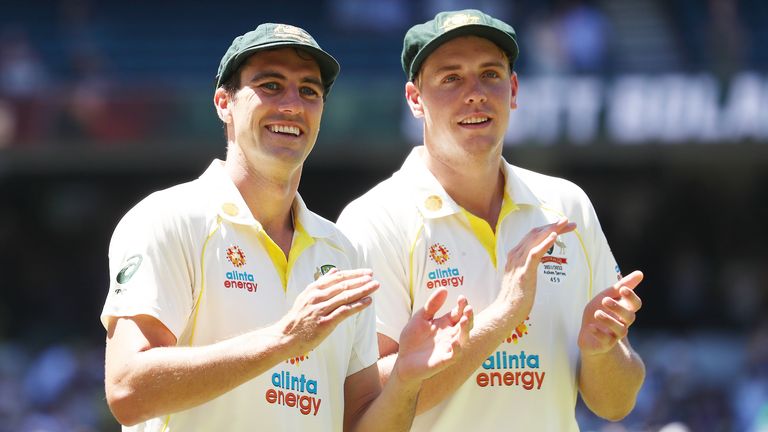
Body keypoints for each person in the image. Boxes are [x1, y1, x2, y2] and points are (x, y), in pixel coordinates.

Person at [100, 23, 472, 432]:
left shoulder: (342, 252)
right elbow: (127, 390)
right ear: (224, 102)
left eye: (309, 91)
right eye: (271, 85)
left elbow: (359, 424)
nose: (293, 105)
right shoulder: (169, 218)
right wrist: (282, 340)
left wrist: (403, 378)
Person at [337, 9, 645, 431]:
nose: (476, 93)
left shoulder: (566, 206)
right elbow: (362, 413)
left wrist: (602, 353)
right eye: (451, 78)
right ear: (414, 99)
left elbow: (617, 403)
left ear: (513, 89)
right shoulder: (375, 220)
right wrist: (504, 313)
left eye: (490, 74)